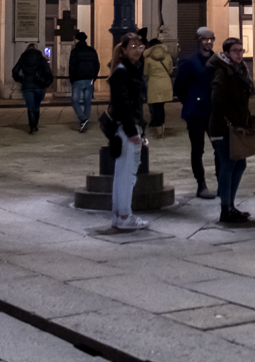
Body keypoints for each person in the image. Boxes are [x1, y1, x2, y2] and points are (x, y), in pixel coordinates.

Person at [209, 37, 255, 224]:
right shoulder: (222, 72)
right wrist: (230, 119)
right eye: (235, 51)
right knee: (228, 165)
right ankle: (225, 209)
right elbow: (217, 101)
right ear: (227, 53)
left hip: (237, 126)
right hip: (223, 127)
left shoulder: (240, 70)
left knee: (240, 164)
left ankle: (231, 206)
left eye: (241, 50)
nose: (239, 54)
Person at [105, 33, 149, 231]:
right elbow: (123, 104)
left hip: (127, 127)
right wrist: (133, 131)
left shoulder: (127, 70)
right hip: (126, 128)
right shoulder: (123, 72)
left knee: (122, 172)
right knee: (127, 174)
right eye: (133, 47)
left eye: (140, 47)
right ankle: (124, 216)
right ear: (123, 50)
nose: (137, 51)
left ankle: (118, 215)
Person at [172, 27, 218, 200]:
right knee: (198, 150)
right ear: (198, 40)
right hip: (196, 112)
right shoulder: (190, 62)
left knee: (219, 148)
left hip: (214, 111)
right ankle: (201, 184)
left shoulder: (217, 60)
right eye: (205, 39)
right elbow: (179, 87)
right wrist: (192, 101)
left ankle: (222, 182)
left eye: (211, 38)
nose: (209, 42)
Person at [12, 42, 51, 134]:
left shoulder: (23, 58)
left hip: (27, 86)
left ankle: (32, 126)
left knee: (30, 106)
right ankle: (35, 124)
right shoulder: (41, 58)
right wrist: (47, 82)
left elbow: (15, 70)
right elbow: (48, 71)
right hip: (39, 86)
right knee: (37, 106)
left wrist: (20, 79)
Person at [144, 32, 175, 139]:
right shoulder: (167, 56)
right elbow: (170, 71)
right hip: (165, 83)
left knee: (156, 107)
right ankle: (162, 126)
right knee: (161, 107)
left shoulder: (147, 58)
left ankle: (158, 130)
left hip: (154, 84)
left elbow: (145, 72)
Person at [68, 33, 100, 133]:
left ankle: (83, 119)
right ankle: (84, 121)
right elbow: (97, 65)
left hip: (78, 79)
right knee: (87, 102)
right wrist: (93, 77)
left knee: (75, 101)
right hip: (89, 79)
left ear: (77, 40)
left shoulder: (75, 51)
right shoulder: (92, 50)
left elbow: (72, 66)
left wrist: (72, 79)